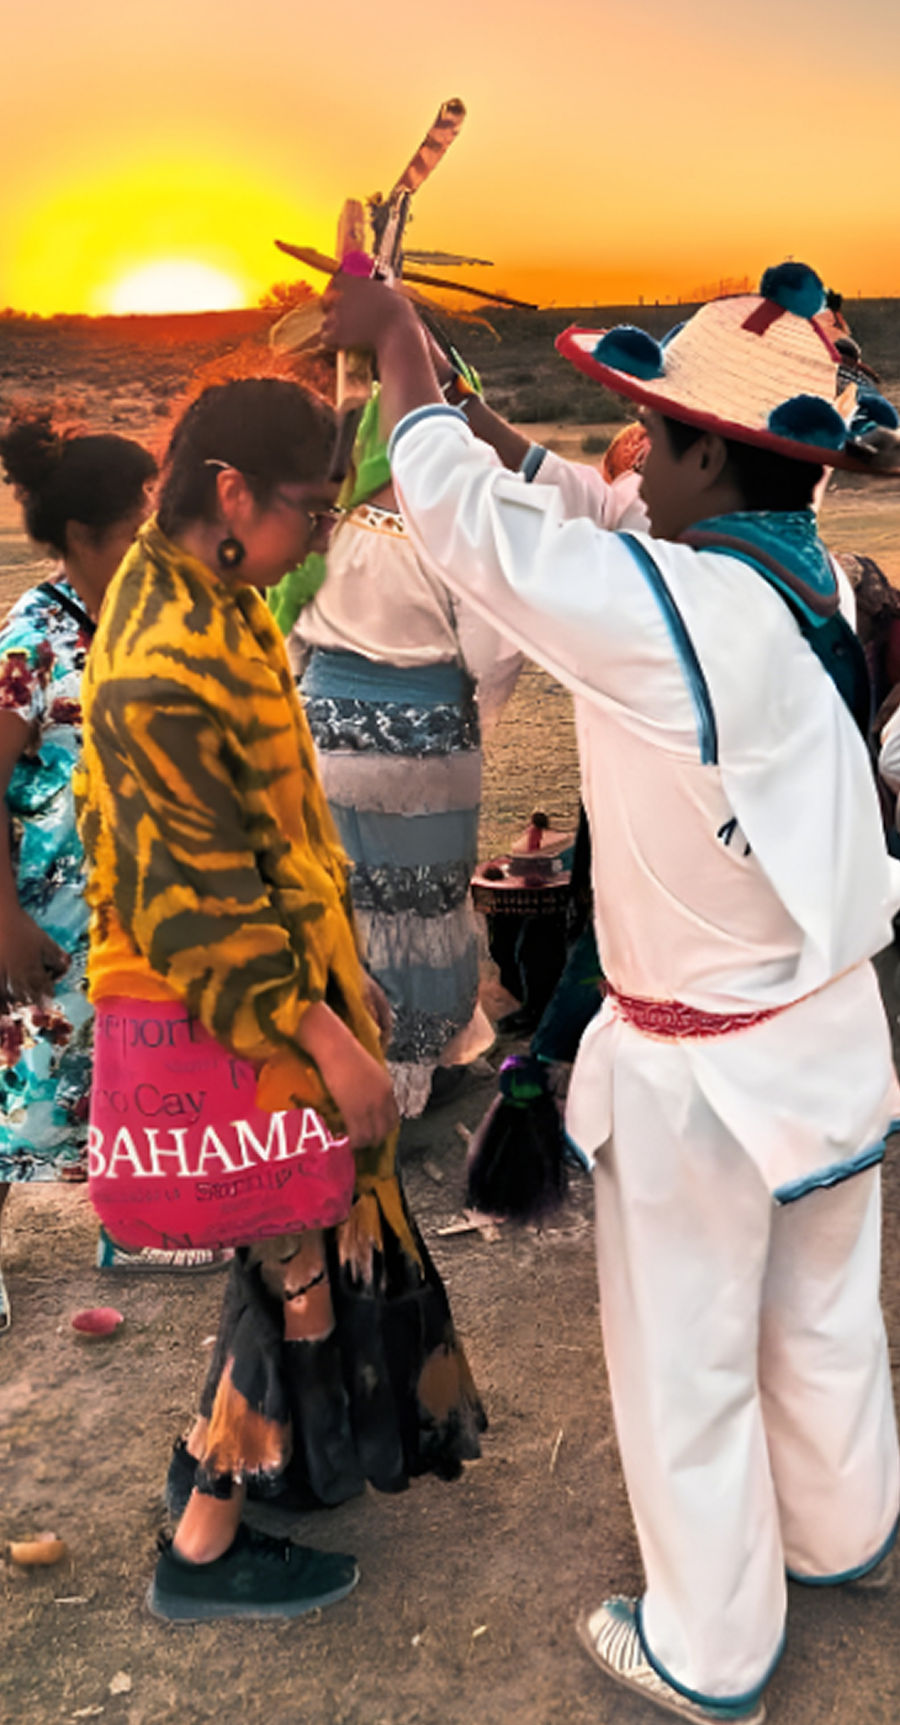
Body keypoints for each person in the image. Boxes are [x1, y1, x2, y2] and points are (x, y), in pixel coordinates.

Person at [321, 262, 900, 1724]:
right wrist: (465, 395)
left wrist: (394, 352)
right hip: (826, 1044)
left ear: (713, 454)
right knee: (822, 1318)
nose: (626, 453)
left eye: (652, 432)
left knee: (686, 1359)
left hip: (704, 1083)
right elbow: (579, 509)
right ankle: (839, 1534)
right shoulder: (798, 568)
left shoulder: (681, 613)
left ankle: (710, 1653)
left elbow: (474, 532)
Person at [75, 377, 486, 1624]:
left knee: (289, 1232)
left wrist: (339, 962)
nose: (321, 535)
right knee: (290, 1243)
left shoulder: (215, 597)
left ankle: (281, 1471)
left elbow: (278, 837)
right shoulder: (158, 664)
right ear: (232, 495)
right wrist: (324, 1035)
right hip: (229, 1013)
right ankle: (201, 1547)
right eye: (309, 509)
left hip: (279, 988)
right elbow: (196, 908)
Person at [287, 381, 522, 1116]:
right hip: (425, 733)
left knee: (345, 894)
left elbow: (288, 629)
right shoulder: (451, 524)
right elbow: (492, 651)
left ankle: (344, 1054)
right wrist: (464, 717)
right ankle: (418, 1063)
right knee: (426, 900)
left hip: (325, 725)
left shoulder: (321, 521)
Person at [0, 412, 160, 1330]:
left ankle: (130, 1222)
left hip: (131, 907)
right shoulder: (29, 642)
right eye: (136, 527)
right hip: (46, 914)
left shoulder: (141, 621)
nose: (150, 540)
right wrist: (9, 925)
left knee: (123, 1075)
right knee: (19, 1093)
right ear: (80, 538)